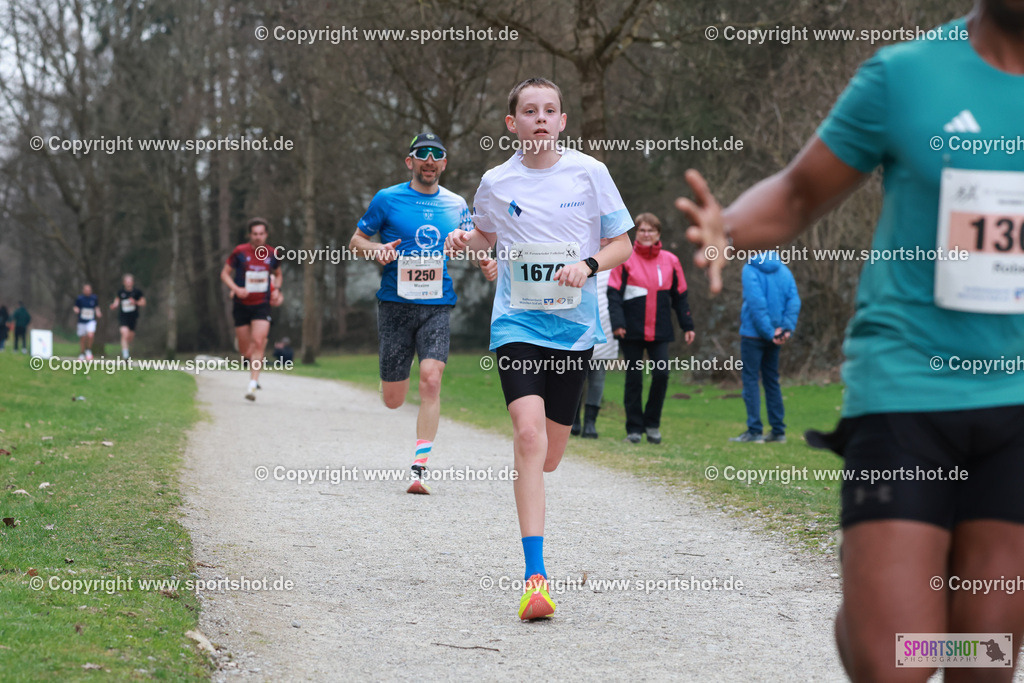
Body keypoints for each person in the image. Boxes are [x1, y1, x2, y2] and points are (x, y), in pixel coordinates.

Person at [677, 3, 1024, 679]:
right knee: (895, 658)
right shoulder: (906, 75)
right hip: (905, 387)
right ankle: (873, 608)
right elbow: (800, 193)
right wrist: (730, 228)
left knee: (982, 657)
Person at [446, 77, 633, 620]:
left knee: (549, 456)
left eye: (550, 110)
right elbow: (487, 236)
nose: (541, 119)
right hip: (517, 324)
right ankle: (535, 579)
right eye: (530, 111)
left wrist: (589, 264)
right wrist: (466, 240)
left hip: (573, 331)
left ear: (562, 121)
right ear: (513, 124)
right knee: (527, 436)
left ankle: (540, 468)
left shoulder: (590, 173)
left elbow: (620, 241)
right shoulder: (495, 181)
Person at [350, 132, 495, 496]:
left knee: (431, 379)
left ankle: (419, 468)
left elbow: (470, 240)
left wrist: (485, 261)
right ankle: (391, 377)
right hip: (395, 306)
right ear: (410, 161)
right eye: (422, 154)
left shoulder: (456, 203)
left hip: (437, 305)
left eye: (437, 155)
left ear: (444, 163)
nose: (429, 160)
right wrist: (376, 251)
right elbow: (356, 241)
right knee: (393, 399)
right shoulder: (388, 198)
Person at [607, 213, 695, 445]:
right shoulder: (624, 258)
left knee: (662, 375)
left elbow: (681, 296)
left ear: (658, 234)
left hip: (660, 330)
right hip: (630, 330)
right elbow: (613, 294)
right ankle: (634, 429)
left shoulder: (671, 261)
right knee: (633, 380)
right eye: (642, 230)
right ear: (637, 233)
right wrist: (617, 324)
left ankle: (653, 424)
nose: (646, 234)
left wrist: (688, 325)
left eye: (651, 230)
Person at [730, 251, 800, 444]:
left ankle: (755, 432)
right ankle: (778, 431)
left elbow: (756, 304)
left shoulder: (749, 269)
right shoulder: (784, 270)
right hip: (775, 336)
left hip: (753, 335)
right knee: (772, 381)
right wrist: (785, 330)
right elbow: (794, 301)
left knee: (751, 380)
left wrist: (770, 332)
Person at [221, 218, 282, 401]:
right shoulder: (240, 252)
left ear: (266, 234)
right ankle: (251, 353)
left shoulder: (272, 254)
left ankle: (252, 385)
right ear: (250, 234)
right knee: (246, 351)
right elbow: (224, 273)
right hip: (241, 305)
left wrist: (276, 290)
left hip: (262, 305)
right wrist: (235, 289)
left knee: (258, 341)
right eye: (254, 234)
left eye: (261, 234)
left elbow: (278, 275)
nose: (258, 237)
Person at [570, 269, 616, 439]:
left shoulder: (615, 268)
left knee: (597, 378)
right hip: (577, 325)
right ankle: (573, 421)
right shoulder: (579, 257)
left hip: (605, 326)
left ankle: (590, 423)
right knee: (574, 377)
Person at [109, 274, 146, 359]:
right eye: (127, 281)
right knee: (124, 333)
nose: (128, 283)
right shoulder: (121, 292)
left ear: (132, 282)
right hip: (123, 317)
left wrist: (135, 302)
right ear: (124, 283)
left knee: (130, 337)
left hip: (133, 317)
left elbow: (143, 303)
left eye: (130, 281)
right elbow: (116, 302)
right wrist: (114, 305)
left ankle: (126, 350)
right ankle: (126, 356)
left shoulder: (137, 292)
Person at [74, 284, 101, 360]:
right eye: (86, 290)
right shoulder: (80, 298)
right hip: (82, 321)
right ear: (83, 290)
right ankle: (82, 353)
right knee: (83, 338)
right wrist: (76, 310)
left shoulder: (94, 298)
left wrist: (98, 312)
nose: (88, 291)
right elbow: (76, 307)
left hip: (91, 320)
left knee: (90, 335)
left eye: (89, 290)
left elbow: (96, 307)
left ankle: (88, 350)